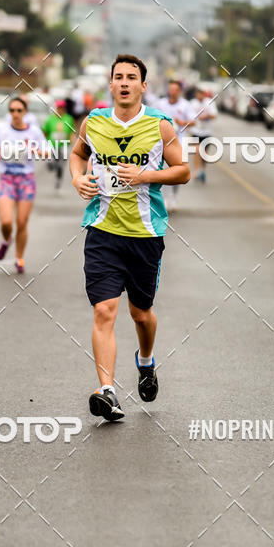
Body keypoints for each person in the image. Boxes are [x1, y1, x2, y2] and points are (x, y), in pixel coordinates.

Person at [70, 54, 190, 421]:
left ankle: (146, 361)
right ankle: (107, 391)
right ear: (110, 85)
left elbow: (183, 171)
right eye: (118, 77)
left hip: (145, 235)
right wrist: (78, 178)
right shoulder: (93, 122)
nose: (124, 82)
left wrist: (145, 176)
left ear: (143, 86)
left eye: (131, 77)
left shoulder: (160, 126)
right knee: (104, 310)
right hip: (103, 232)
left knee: (141, 314)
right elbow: (77, 155)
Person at [0, 97, 46, 273]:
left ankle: (19, 258)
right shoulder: (1, 130)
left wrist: (32, 150)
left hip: (26, 180)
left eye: (19, 110)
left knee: (22, 222)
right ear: (9, 112)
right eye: (12, 110)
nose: (15, 114)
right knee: (6, 221)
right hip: (7, 178)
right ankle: (7, 240)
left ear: (25, 112)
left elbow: (46, 153)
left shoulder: (34, 132)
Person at [156, 80, 195, 210]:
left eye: (175, 89)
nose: (172, 91)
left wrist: (182, 122)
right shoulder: (160, 104)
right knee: (165, 171)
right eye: (170, 89)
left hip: (180, 141)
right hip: (162, 142)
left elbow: (193, 122)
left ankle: (174, 196)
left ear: (179, 91)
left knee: (178, 171)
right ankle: (165, 198)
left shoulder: (185, 105)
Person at [42, 100, 75, 190]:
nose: (60, 110)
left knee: (61, 164)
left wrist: (72, 141)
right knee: (52, 161)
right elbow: (45, 132)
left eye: (62, 108)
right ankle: (51, 164)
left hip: (64, 145)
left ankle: (58, 178)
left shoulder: (68, 118)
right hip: (52, 144)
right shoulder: (50, 119)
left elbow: (72, 131)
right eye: (58, 108)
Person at [190, 86, 218, 183]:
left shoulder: (209, 102)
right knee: (197, 151)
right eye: (198, 94)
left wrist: (207, 116)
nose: (199, 96)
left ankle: (202, 169)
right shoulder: (193, 103)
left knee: (205, 155)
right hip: (196, 131)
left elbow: (214, 115)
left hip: (206, 132)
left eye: (201, 94)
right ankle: (197, 170)